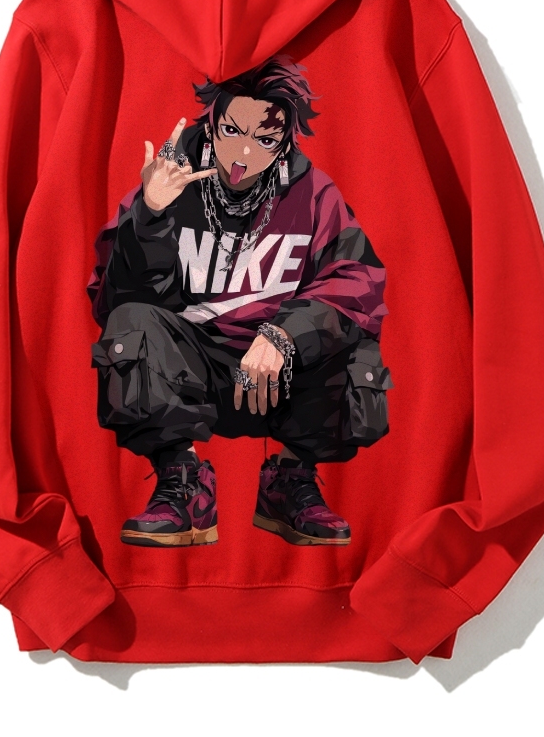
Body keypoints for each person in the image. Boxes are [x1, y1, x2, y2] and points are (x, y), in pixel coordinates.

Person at [87, 56, 392, 547]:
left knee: (354, 340)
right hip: (192, 373)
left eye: (265, 140)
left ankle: (291, 480)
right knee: (132, 324)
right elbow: (115, 299)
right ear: (211, 124)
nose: (244, 153)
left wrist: (285, 335)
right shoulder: (166, 183)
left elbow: (357, 282)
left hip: (281, 376)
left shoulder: (315, 194)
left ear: (286, 142)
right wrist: (150, 214)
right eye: (232, 131)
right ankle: (181, 483)